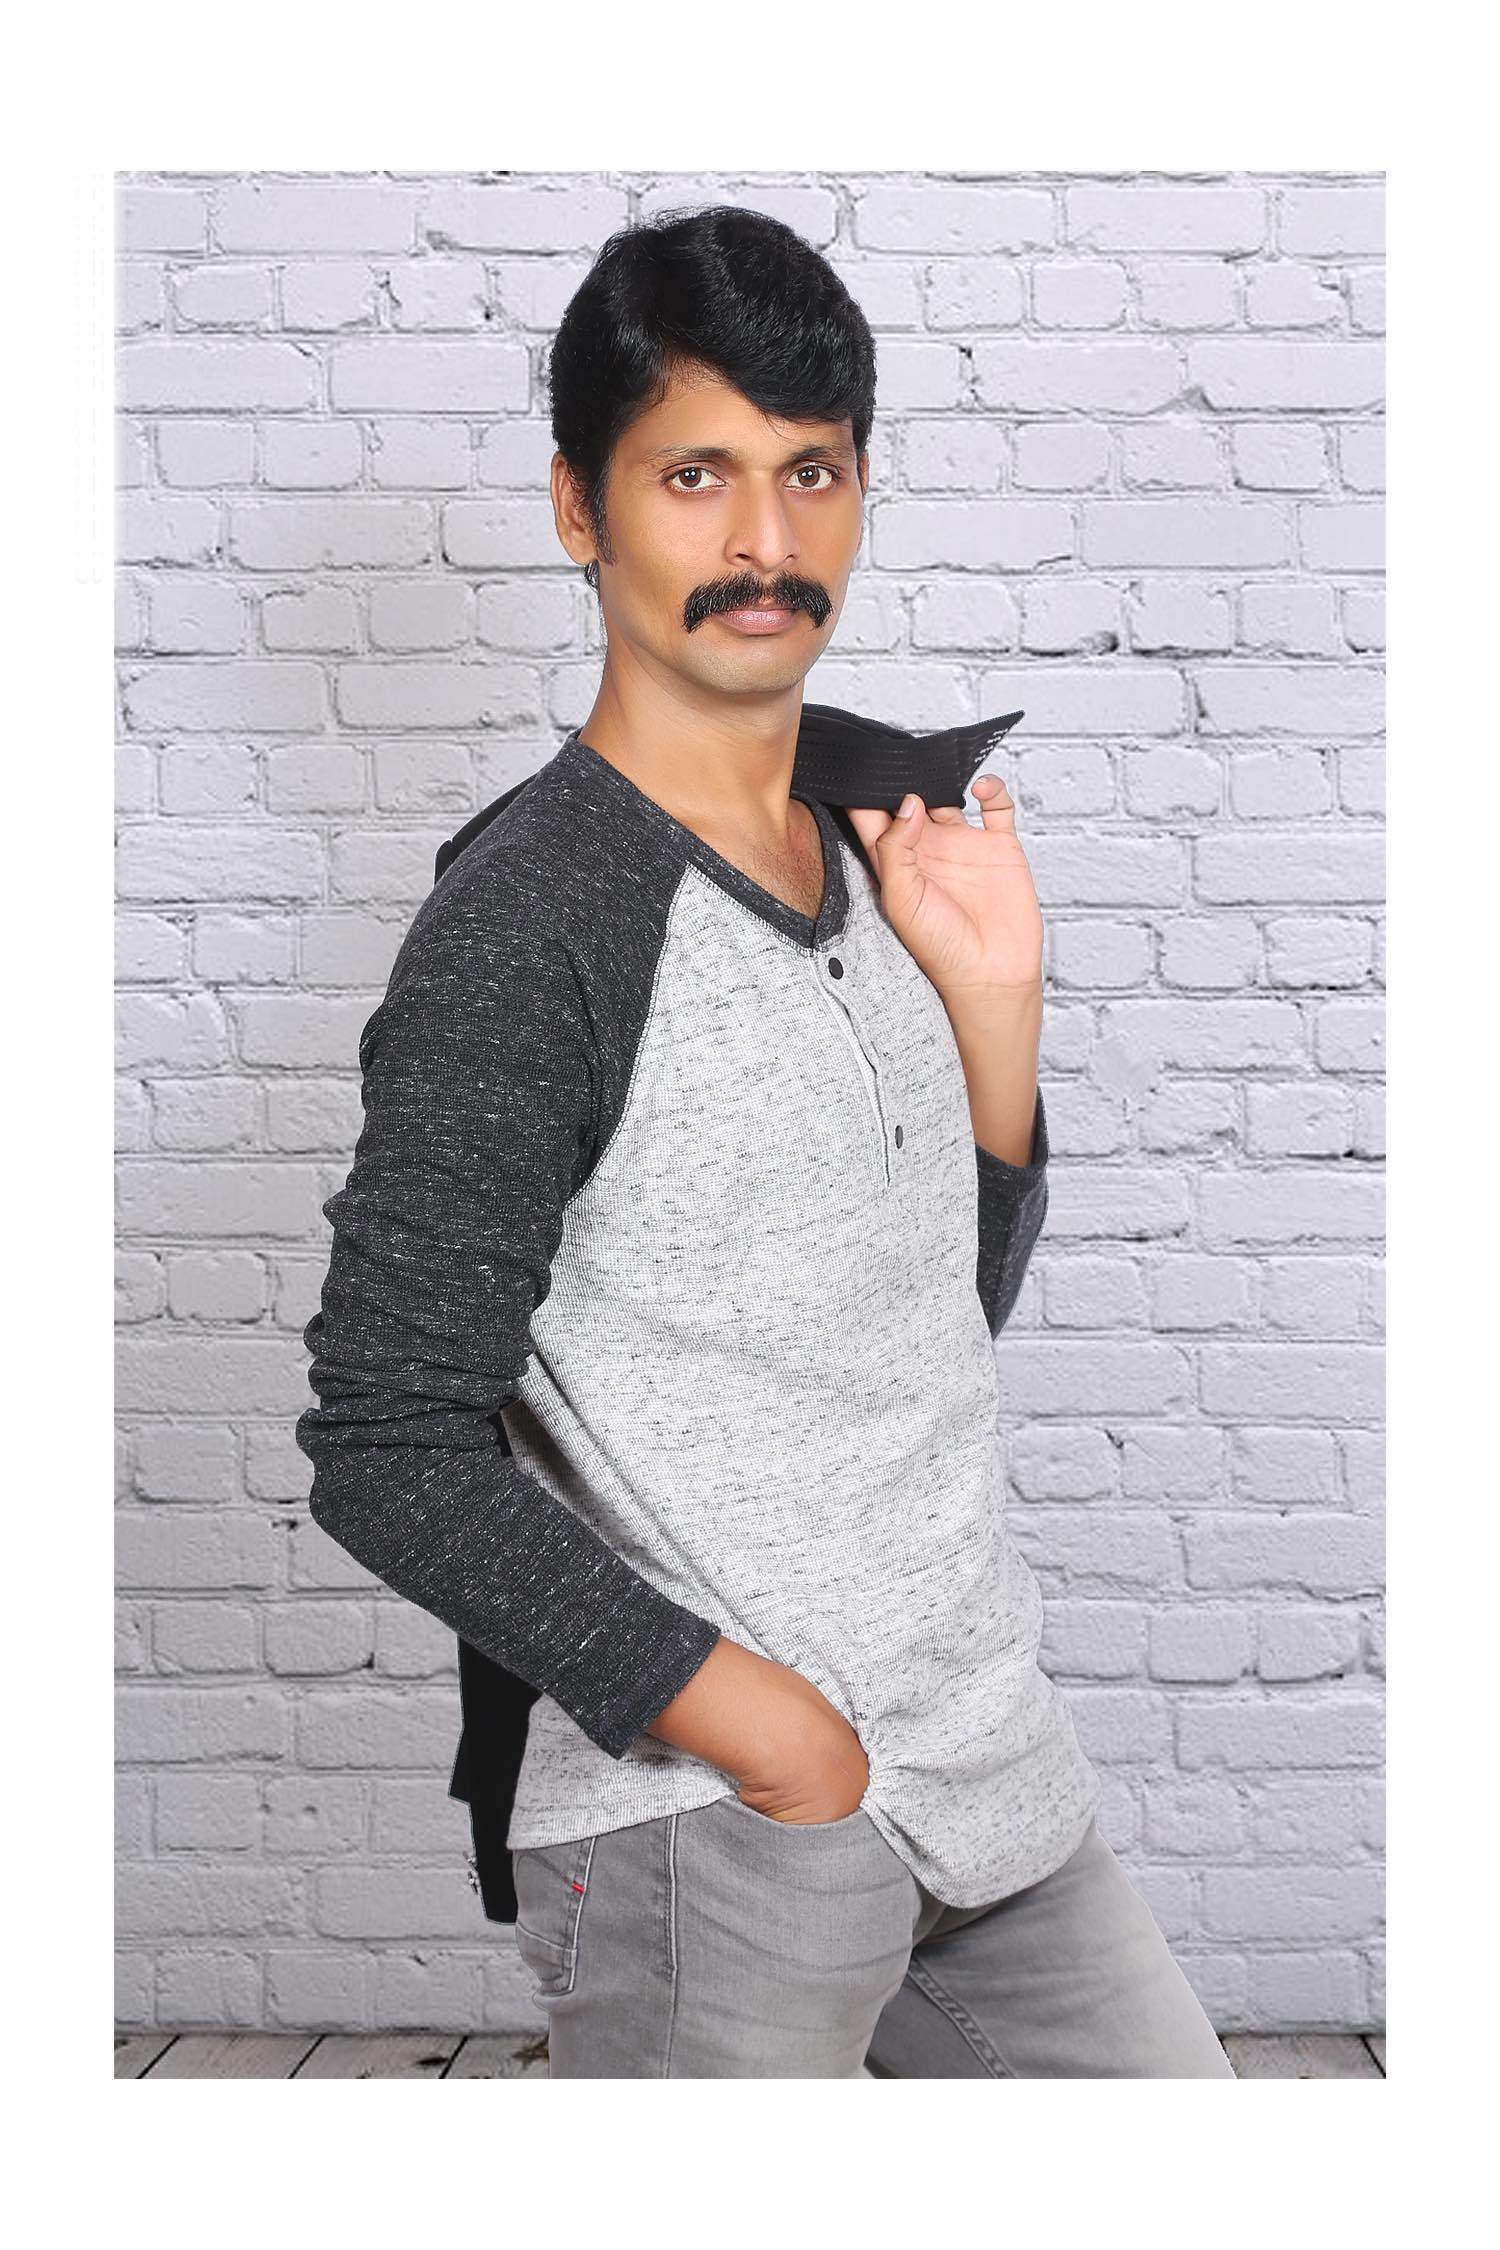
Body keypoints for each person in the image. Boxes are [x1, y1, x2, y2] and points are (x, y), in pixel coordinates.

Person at [295, 205, 1234, 2080]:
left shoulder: (882, 836)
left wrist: (997, 1015)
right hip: (725, 1822)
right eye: (695, 475)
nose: (765, 543)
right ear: (580, 509)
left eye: (810, 473)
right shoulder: (531, 927)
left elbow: (914, 1324)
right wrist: (769, 1733)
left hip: (984, 1764)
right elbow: (384, 1441)